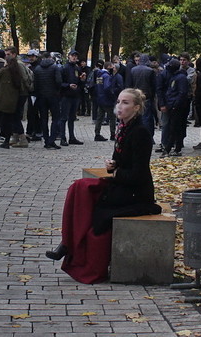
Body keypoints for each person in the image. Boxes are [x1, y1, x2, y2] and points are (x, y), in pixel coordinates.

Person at [45, 88, 162, 284]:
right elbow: (120, 163)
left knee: (87, 196)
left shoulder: (140, 132)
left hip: (135, 193)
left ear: (136, 108)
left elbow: (138, 174)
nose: (119, 106)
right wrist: (112, 165)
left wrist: (115, 172)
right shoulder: (123, 128)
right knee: (77, 188)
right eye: (118, 102)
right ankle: (66, 243)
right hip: (122, 185)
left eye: (125, 103)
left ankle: (69, 246)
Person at [0, 55, 29, 148]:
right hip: (12, 101)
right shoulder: (17, 73)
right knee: (8, 122)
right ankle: (6, 142)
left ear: (7, 63)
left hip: (0, 100)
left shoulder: (4, 70)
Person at [34, 52, 64, 149]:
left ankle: (46, 140)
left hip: (41, 96)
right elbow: (59, 81)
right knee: (56, 118)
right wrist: (57, 91)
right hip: (53, 96)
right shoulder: (55, 67)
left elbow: (35, 84)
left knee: (44, 119)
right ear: (51, 58)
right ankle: (52, 140)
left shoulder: (37, 69)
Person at [162, 58, 189, 156]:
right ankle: (176, 148)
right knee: (175, 127)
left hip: (177, 107)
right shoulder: (175, 76)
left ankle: (169, 149)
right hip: (173, 105)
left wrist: (175, 105)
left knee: (174, 128)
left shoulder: (180, 78)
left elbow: (182, 93)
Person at [59, 50, 85, 146]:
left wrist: (82, 80)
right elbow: (59, 83)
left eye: (76, 56)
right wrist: (68, 85)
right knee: (63, 118)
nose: (74, 57)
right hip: (66, 96)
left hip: (75, 96)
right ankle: (62, 138)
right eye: (72, 55)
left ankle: (72, 137)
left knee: (72, 118)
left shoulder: (77, 68)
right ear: (69, 56)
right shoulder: (63, 68)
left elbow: (80, 82)